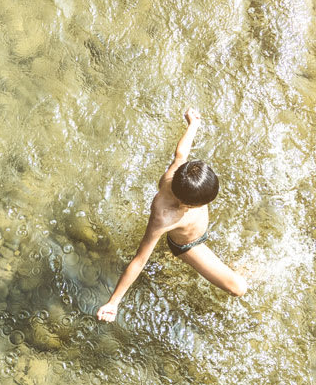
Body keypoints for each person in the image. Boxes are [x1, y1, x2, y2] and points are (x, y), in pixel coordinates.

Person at [97, 109, 247, 322]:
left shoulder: (178, 173)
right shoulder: (163, 216)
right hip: (191, 245)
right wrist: (114, 302)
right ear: (187, 204)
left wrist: (193, 125)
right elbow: (139, 260)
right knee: (238, 288)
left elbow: (181, 153)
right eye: (203, 204)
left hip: (195, 228)